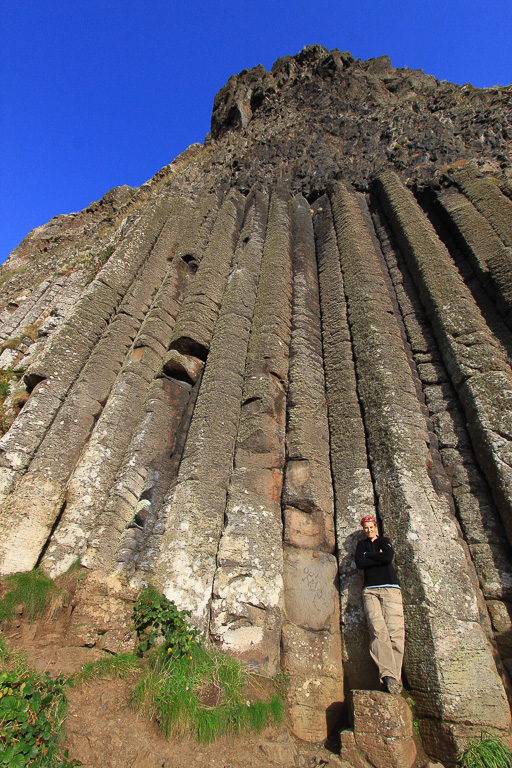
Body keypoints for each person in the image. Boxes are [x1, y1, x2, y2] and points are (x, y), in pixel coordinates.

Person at [354, 515, 404, 695]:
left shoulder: (385, 541)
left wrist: (370, 557)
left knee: (395, 633)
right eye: (366, 528)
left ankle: (392, 680)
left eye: (371, 527)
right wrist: (377, 556)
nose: (369, 530)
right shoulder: (361, 546)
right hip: (370, 591)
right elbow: (359, 563)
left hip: (391, 589)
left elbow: (388, 558)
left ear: (376, 527)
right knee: (377, 630)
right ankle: (388, 676)